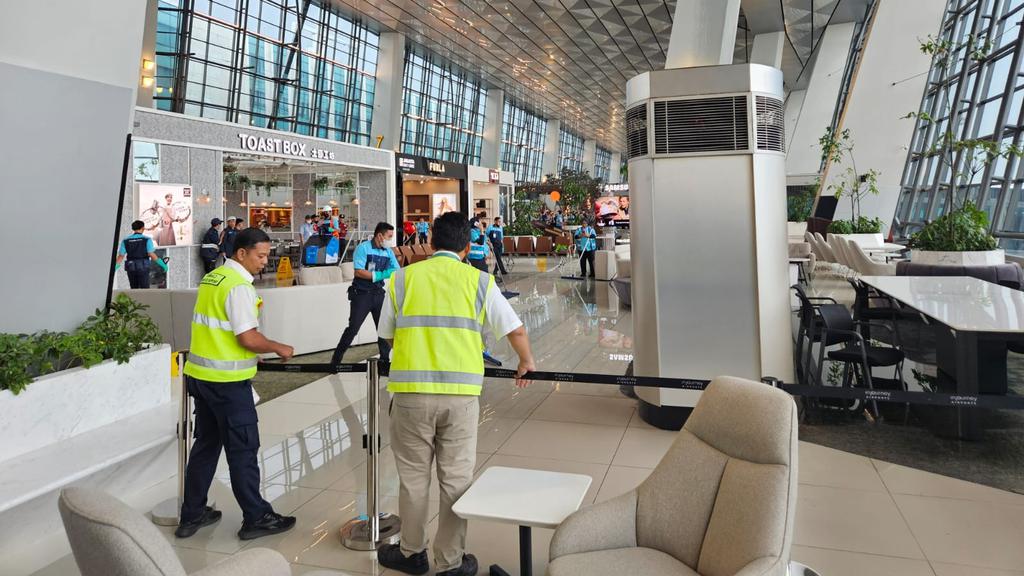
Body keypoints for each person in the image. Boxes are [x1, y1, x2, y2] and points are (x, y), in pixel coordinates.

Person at [376, 211, 535, 576]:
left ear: (431, 243)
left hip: (411, 394)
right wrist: (526, 361)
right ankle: (450, 562)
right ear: (467, 247)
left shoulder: (402, 278)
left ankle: (411, 553)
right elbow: (515, 329)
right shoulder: (479, 281)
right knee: (456, 480)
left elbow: (387, 334)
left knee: (413, 480)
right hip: (460, 398)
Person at [177, 227, 297, 541]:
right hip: (227, 384)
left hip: (201, 377)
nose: (265, 262)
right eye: (261, 256)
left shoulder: (213, 278)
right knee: (243, 450)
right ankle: (256, 517)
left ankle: (192, 514)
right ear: (241, 253)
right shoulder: (239, 286)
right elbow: (247, 337)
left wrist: (249, 353)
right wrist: (277, 347)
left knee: (205, 447)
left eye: (267, 256)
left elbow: (220, 330)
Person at [329, 222, 400, 370]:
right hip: (361, 294)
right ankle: (335, 361)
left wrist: (375, 275)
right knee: (353, 328)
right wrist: (382, 274)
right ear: (380, 236)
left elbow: (396, 270)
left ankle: (384, 362)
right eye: (389, 236)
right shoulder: (363, 248)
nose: (391, 240)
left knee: (383, 329)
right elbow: (359, 272)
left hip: (378, 293)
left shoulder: (388, 252)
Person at [116, 220, 167, 289]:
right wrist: (163, 264)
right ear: (143, 228)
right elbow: (151, 254)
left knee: (134, 289)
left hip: (131, 267)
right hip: (143, 267)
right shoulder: (147, 239)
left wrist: (114, 268)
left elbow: (121, 256)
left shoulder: (125, 240)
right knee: (144, 290)